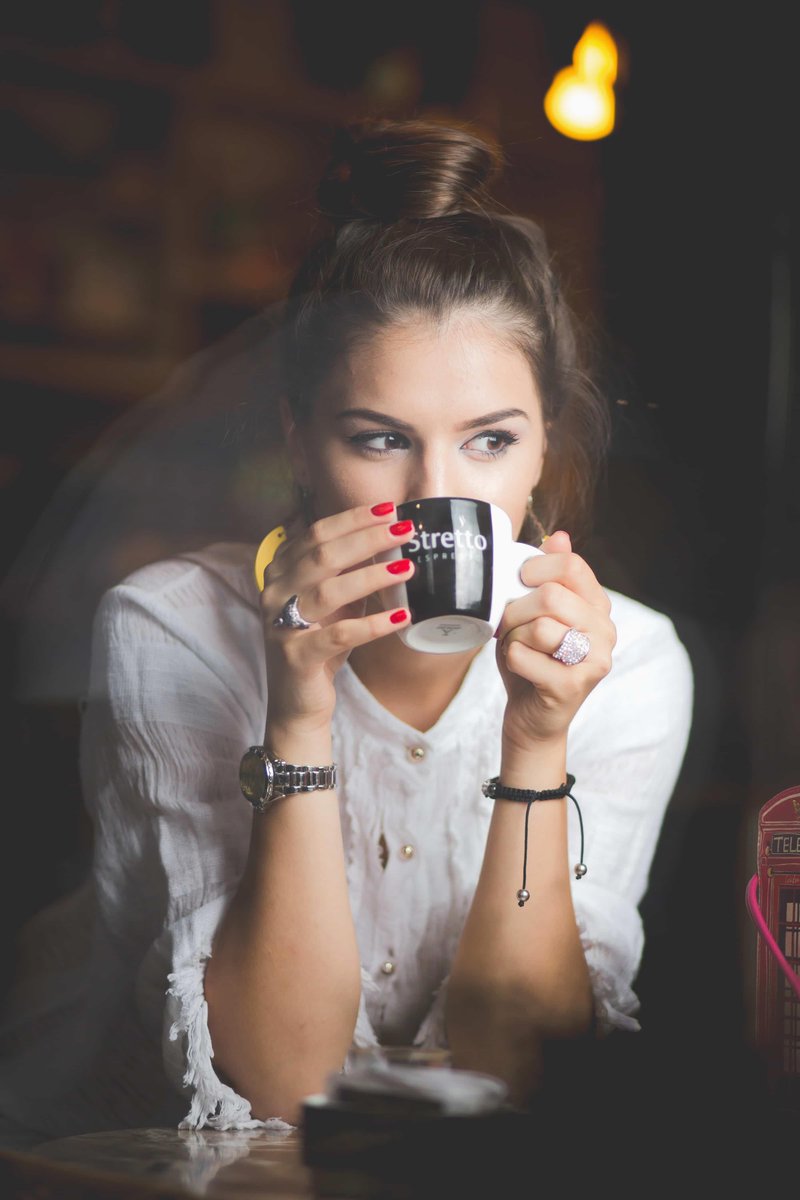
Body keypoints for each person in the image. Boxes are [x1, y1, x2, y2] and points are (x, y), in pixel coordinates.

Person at [0, 117, 693, 1142]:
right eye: (379, 439)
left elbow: (515, 1069)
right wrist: (298, 712)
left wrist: (536, 743)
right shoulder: (173, 630)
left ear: (544, 440)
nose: (435, 492)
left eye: (489, 441)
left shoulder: (622, 664)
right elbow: (284, 1085)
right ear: (297, 436)